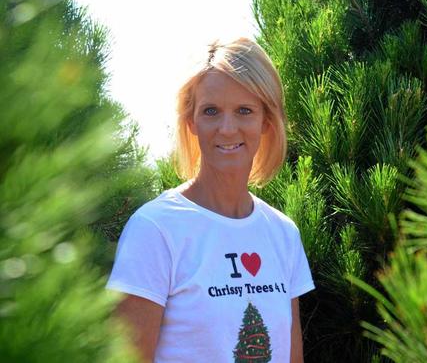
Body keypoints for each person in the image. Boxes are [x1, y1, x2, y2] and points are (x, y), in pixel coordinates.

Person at [107, 37, 314, 363]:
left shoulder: (283, 234)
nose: (227, 129)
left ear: (266, 121)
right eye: (211, 111)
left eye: (244, 110)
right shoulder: (155, 229)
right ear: (192, 122)